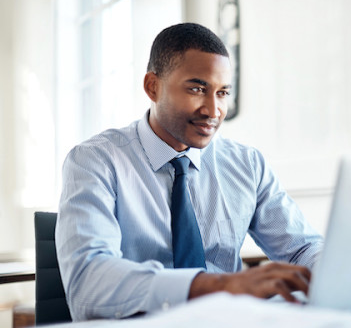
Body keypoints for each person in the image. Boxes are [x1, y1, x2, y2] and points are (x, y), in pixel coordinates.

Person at [56, 22, 323, 321]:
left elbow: (301, 248)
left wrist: (335, 268)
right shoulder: (95, 160)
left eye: (222, 93)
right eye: (197, 89)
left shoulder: (247, 164)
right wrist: (221, 285)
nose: (213, 110)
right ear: (152, 87)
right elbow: (88, 281)